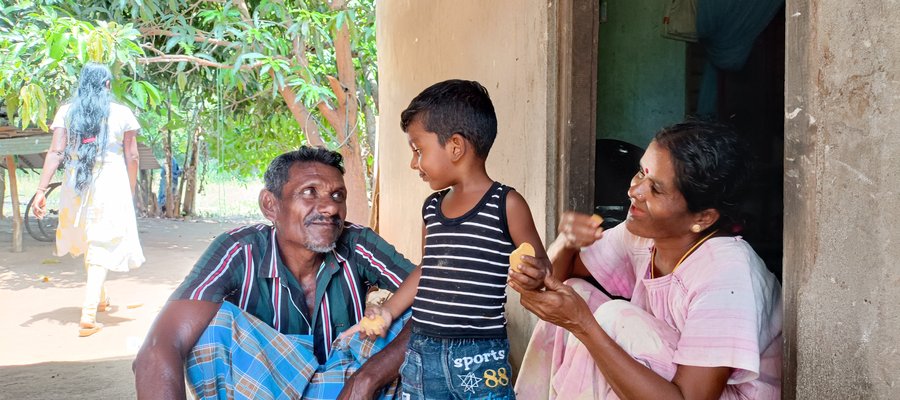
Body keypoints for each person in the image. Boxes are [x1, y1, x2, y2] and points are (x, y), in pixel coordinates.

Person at [509, 121, 783, 399]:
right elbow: (556, 279)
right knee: (577, 294)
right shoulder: (645, 235)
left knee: (611, 320)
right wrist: (565, 244)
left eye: (657, 189)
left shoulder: (727, 275)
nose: (635, 191)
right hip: (668, 382)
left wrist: (583, 325)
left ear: (703, 218)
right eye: (641, 172)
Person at [133, 146, 417, 400]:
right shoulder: (239, 250)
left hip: (346, 388)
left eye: (337, 195)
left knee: (419, 315)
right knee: (210, 326)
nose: (330, 207)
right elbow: (159, 347)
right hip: (262, 389)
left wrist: (367, 379)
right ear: (271, 205)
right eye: (309, 192)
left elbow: (436, 294)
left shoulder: (357, 242)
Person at [343, 79, 549, 400]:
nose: (414, 163)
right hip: (422, 353)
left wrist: (534, 273)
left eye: (418, 150)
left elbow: (541, 266)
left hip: (481, 357)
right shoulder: (432, 208)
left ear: (455, 146)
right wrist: (388, 311)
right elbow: (428, 269)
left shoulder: (506, 204)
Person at [32, 62, 145, 337]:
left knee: (91, 237)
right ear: (107, 85)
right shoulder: (121, 113)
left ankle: (102, 298)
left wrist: (41, 189)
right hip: (111, 181)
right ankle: (89, 313)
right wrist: (129, 190)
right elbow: (132, 156)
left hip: (75, 180)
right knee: (100, 241)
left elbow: (56, 152)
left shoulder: (66, 112)